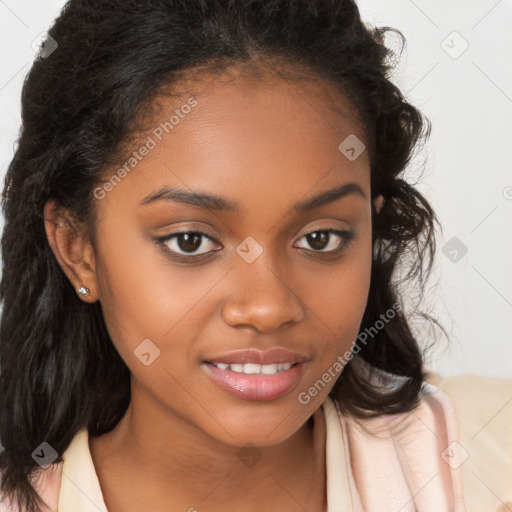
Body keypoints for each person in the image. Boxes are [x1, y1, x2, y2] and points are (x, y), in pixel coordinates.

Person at [0, 0, 466, 511]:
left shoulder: (469, 463)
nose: (267, 307)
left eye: (320, 238)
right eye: (190, 241)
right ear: (78, 249)